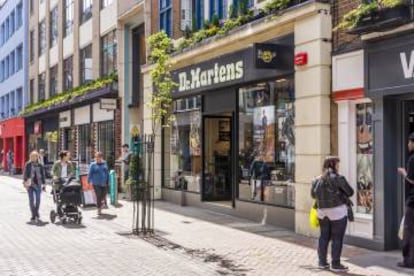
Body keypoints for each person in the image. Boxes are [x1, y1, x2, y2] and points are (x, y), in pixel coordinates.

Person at [311, 156, 354, 272]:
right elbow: (350, 192)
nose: (339, 167)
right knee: (337, 237)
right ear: (333, 165)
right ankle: (335, 264)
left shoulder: (316, 179)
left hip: (322, 211)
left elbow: (313, 195)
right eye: (337, 165)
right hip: (337, 211)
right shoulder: (339, 178)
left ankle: (322, 262)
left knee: (323, 236)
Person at [397, 133, 414, 268]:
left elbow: (412, 179)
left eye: (409, 142)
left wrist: (403, 172)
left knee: (409, 232)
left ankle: (409, 261)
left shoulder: (412, 159)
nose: (408, 144)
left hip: (413, 202)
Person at [23, 151, 46, 223]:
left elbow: (43, 174)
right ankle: (34, 214)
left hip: (38, 184)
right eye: (31, 156)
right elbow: (25, 174)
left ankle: (36, 212)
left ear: (37, 157)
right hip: (30, 184)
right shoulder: (28, 164)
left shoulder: (40, 165)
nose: (33, 158)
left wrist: (44, 183)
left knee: (38, 200)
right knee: (31, 200)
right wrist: (25, 182)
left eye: (34, 156)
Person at [88, 152, 108, 216]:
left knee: (103, 195)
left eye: (98, 157)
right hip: (96, 182)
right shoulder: (93, 165)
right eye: (96, 157)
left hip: (104, 182)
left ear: (101, 158)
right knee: (98, 195)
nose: (97, 158)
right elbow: (90, 173)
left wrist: (108, 180)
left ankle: (100, 205)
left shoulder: (104, 163)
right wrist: (88, 181)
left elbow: (106, 172)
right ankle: (99, 210)